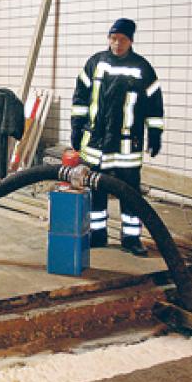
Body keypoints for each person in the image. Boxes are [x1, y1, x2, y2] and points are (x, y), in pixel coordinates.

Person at [70, 18, 164, 255]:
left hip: (126, 147)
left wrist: (155, 133)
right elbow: (80, 97)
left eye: (122, 39)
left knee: (130, 194)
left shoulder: (142, 68)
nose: (117, 43)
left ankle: (131, 239)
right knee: (96, 191)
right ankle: (97, 234)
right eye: (113, 38)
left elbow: (155, 104)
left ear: (131, 40)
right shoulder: (95, 63)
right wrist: (76, 126)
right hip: (96, 145)